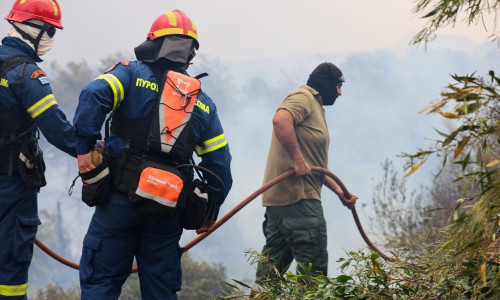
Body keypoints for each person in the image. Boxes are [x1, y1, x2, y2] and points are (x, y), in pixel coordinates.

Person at [73, 9, 232, 299]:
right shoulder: (203, 103)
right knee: (160, 290)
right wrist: (212, 209)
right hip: (168, 208)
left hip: (119, 202)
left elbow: (93, 94)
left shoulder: (129, 74)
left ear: (152, 43)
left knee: (101, 284)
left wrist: (84, 150)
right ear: (190, 53)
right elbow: (220, 163)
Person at [252, 62, 358, 291]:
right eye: (338, 85)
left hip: (281, 202)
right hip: (299, 199)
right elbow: (280, 120)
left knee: (271, 268)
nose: (340, 92)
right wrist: (297, 158)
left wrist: (340, 192)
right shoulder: (303, 97)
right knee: (314, 265)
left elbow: (316, 167)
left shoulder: (317, 107)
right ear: (326, 83)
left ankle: (258, 296)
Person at [0, 0, 76, 299]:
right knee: (11, 266)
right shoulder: (27, 76)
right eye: (51, 31)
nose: (51, 40)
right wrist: (95, 151)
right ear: (35, 30)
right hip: (11, 185)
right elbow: (57, 130)